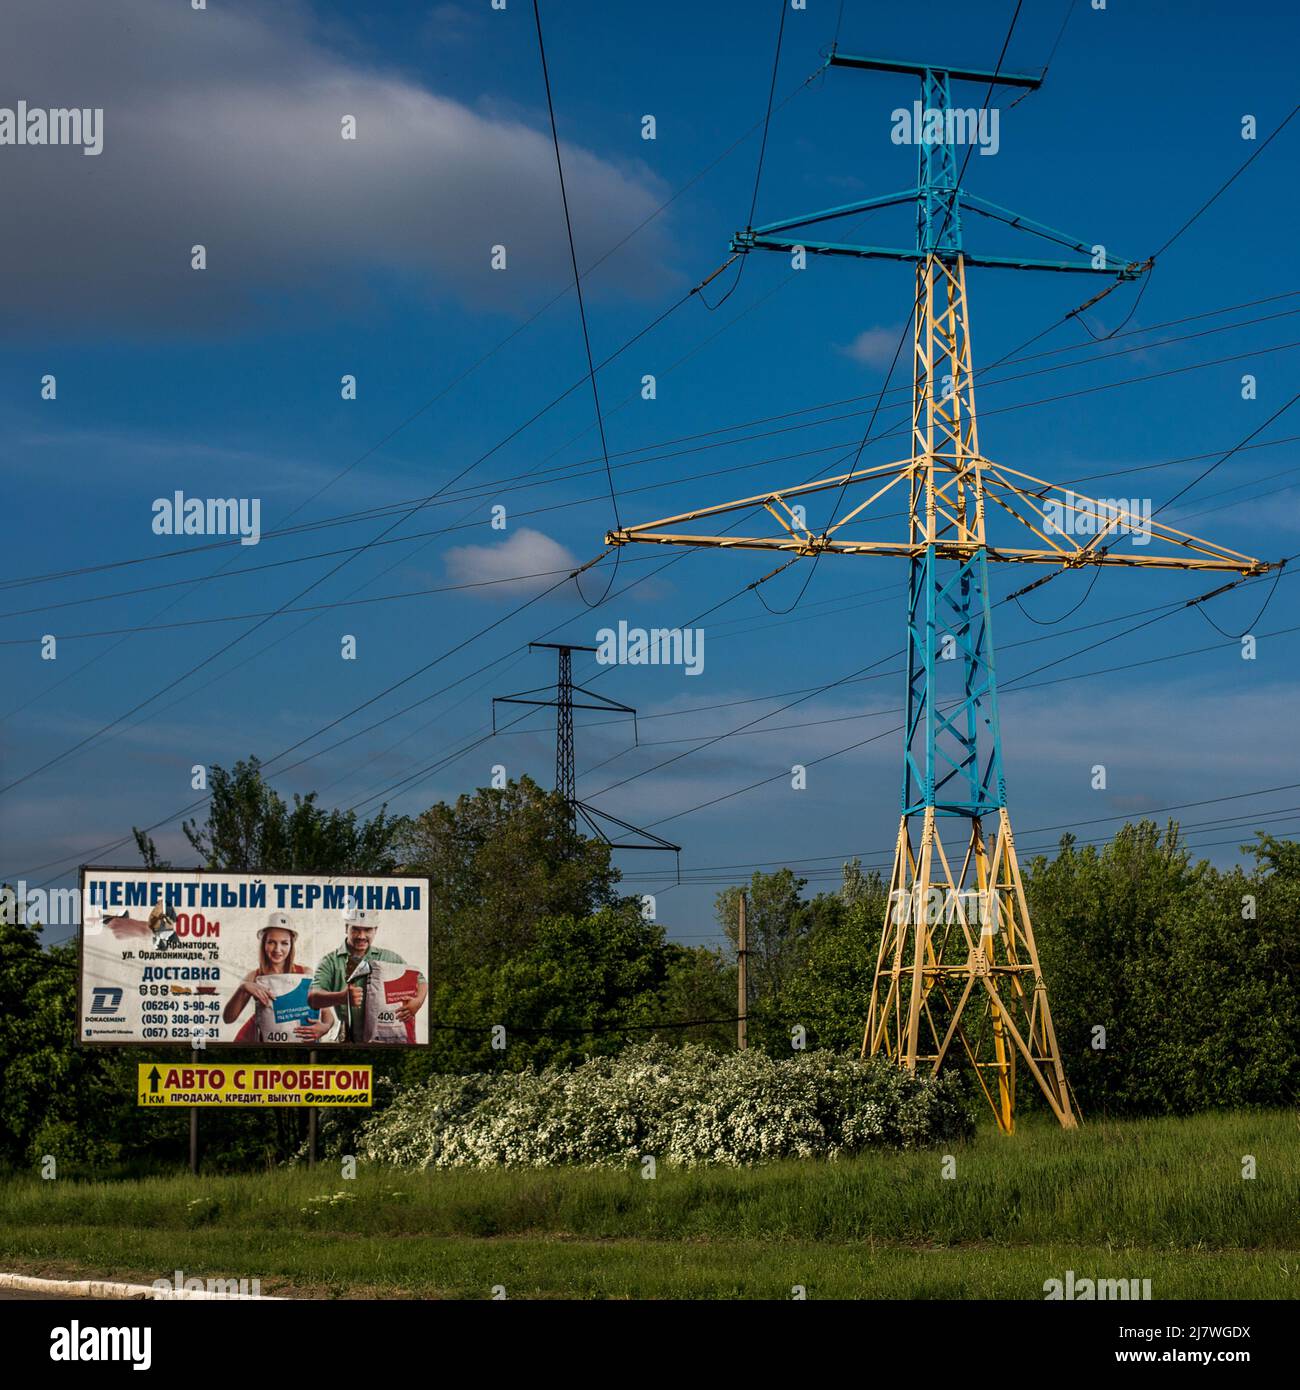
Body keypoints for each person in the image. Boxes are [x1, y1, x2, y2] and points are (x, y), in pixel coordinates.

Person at [308, 906, 427, 1042]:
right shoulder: (330, 961)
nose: (361, 936)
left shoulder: (390, 958)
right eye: (355, 929)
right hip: (346, 1041)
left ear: (375, 930)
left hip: (383, 1041)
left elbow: (420, 981)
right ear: (346, 928)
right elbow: (312, 997)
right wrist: (341, 997)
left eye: (368, 930)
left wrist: (417, 1002)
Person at [224, 911, 334, 1043]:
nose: (277, 949)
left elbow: (327, 1013)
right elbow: (228, 1018)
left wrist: (325, 1027)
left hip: (298, 1046)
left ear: (291, 945)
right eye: (271, 942)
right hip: (266, 1046)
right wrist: (243, 987)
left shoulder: (305, 973)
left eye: (284, 943)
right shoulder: (254, 976)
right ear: (264, 944)